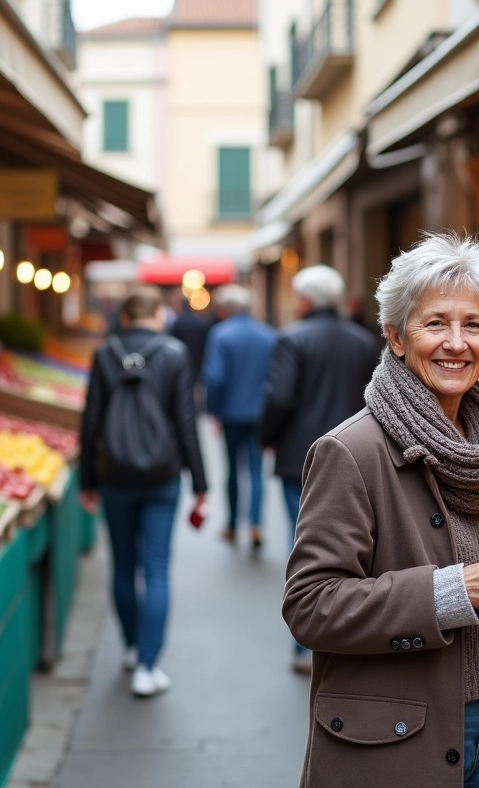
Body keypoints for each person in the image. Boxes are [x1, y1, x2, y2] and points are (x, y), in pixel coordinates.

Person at [282, 231, 479, 787]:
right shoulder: (351, 451)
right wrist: (446, 592)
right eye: (435, 323)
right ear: (396, 336)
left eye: (473, 324)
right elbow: (308, 605)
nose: (456, 342)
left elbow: (474, 550)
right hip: (403, 731)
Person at [79, 285, 208, 698]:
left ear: (126, 315)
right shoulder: (173, 353)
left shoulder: (104, 353)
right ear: (156, 314)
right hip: (161, 476)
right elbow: (185, 423)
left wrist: (87, 479)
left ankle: (132, 649)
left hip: (114, 475)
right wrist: (200, 483)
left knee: (122, 565)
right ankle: (149, 668)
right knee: (155, 568)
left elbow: (91, 420)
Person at [259, 264, 378, 672]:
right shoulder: (364, 342)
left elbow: (279, 398)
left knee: (308, 549)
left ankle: (308, 645)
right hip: (360, 458)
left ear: (306, 300)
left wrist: (266, 438)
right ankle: (350, 638)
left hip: (300, 458)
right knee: (358, 548)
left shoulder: (291, 338)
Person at [202, 284, 276, 552]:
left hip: (232, 414)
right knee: (257, 472)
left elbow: (215, 377)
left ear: (226, 309)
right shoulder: (268, 335)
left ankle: (233, 524)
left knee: (232, 470)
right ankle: (256, 525)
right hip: (260, 414)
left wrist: (214, 411)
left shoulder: (221, 335)